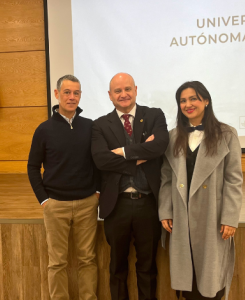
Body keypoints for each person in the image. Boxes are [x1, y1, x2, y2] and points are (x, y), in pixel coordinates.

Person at [159, 81, 243, 300]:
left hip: (212, 217)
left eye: (193, 98)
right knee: (187, 279)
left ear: (206, 100)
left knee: (211, 280)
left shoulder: (228, 134)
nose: (188, 104)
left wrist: (230, 217)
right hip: (181, 215)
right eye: (183, 100)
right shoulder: (173, 136)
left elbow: (234, 180)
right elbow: (166, 178)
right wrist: (165, 211)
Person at [91, 73, 169, 300]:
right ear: (110, 96)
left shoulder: (154, 115)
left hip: (148, 204)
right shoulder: (99, 125)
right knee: (117, 267)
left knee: (147, 266)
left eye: (127, 89)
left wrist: (125, 152)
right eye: (117, 91)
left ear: (135, 90)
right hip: (117, 205)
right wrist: (142, 155)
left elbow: (160, 146)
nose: (123, 94)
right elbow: (101, 160)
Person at [27, 74, 100, 300]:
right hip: (55, 205)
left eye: (76, 93)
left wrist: (97, 192)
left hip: (87, 204)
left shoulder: (90, 127)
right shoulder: (44, 130)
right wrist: (44, 200)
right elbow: (32, 167)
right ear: (57, 94)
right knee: (57, 262)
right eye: (67, 92)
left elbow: (99, 162)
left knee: (88, 259)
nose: (71, 97)